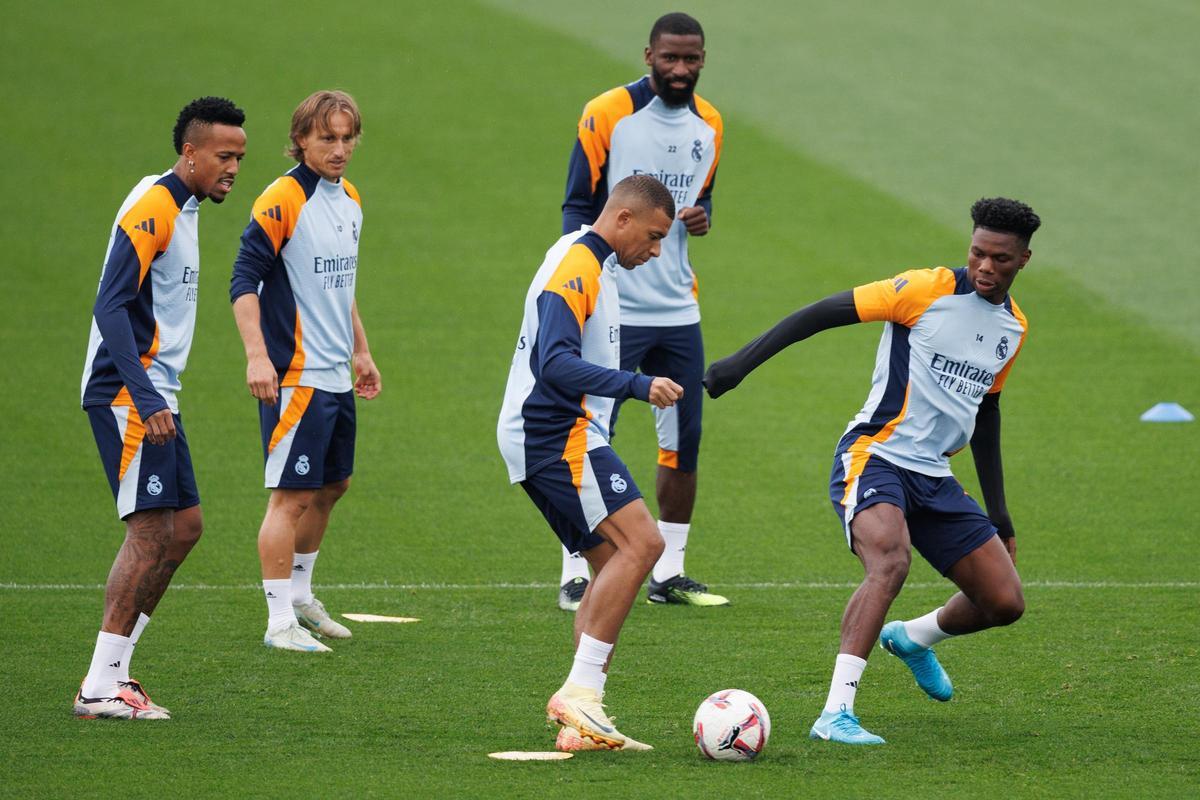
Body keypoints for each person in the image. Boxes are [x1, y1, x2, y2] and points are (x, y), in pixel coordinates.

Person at [704, 198, 1041, 744]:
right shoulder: (922, 290)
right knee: (890, 560)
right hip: (874, 455)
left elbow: (988, 410)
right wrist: (739, 365)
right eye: (977, 252)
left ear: (1023, 260)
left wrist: (999, 514)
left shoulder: (1013, 328)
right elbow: (819, 313)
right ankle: (835, 714)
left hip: (934, 475)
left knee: (1004, 602)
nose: (984, 267)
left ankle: (912, 638)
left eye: (999, 259)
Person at [498, 175, 684, 751]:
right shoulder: (578, 265)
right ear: (623, 219)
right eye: (653, 238)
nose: (655, 253)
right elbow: (554, 363)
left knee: (612, 572)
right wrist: (637, 383)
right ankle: (579, 694)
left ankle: (581, 718)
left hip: (551, 432)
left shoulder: (591, 262)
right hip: (554, 432)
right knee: (646, 545)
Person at [76, 97, 247, 718]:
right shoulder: (156, 207)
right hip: (128, 394)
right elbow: (111, 305)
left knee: (185, 529)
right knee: (150, 532)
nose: (233, 167)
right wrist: (145, 397)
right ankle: (98, 686)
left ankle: (117, 669)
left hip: (154, 395)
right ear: (190, 152)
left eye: (240, 158)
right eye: (224, 156)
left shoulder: (184, 204)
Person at [555, 11, 727, 611]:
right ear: (648, 54)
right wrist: (586, 284)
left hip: (678, 307)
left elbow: (698, 200)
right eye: (670, 57)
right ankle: (576, 566)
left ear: (703, 59)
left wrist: (703, 217)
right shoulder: (607, 113)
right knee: (588, 431)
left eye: (692, 59)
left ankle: (669, 572)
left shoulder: (711, 124)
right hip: (612, 304)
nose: (680, 69)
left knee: (685, 438)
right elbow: (578, 203)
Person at [230, 90, 381, 652]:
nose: (339, 149)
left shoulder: (350, 198)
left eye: (347, 138)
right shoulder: (281, 199)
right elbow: (243, 281)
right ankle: (278, 625)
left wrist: (360, 350)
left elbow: (341, 288)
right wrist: (256, 356)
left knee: (332, 484)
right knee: (290, 497)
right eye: (327, 139)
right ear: (300, 141)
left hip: (336, 373)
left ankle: (300, 596)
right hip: (295, 375)